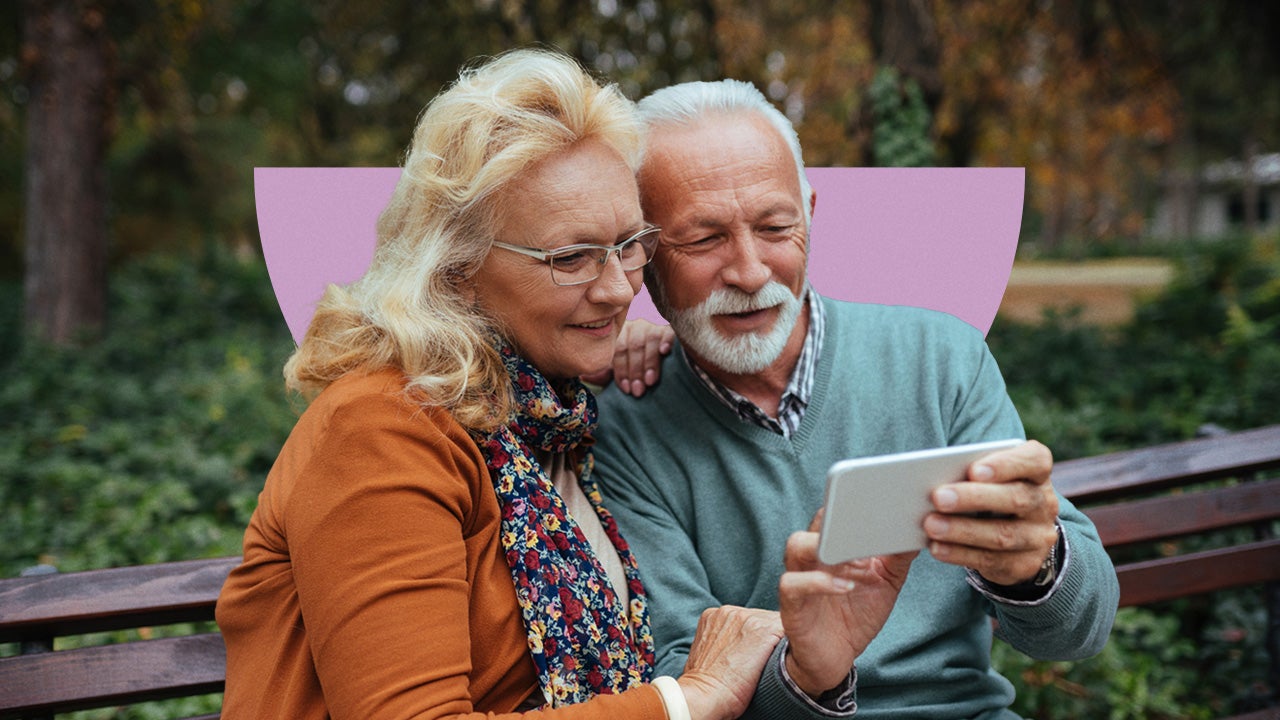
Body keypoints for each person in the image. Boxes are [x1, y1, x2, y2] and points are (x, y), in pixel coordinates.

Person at [215, 50, 799, 720]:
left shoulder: (550, 414)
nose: (615, 290)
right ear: (459, 266)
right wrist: (686, 700)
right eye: (570, 257)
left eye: (629, 244)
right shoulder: (381, 427)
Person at [592, 78, 1121, 719]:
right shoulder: (625, 424)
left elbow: (1078, 632)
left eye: (776, 226)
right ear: (642, 253)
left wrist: (1035, 565)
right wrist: (808, 674)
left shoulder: (939, 357)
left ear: (811, 213)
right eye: (703, 240)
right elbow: (679, 676)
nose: (750, 271)